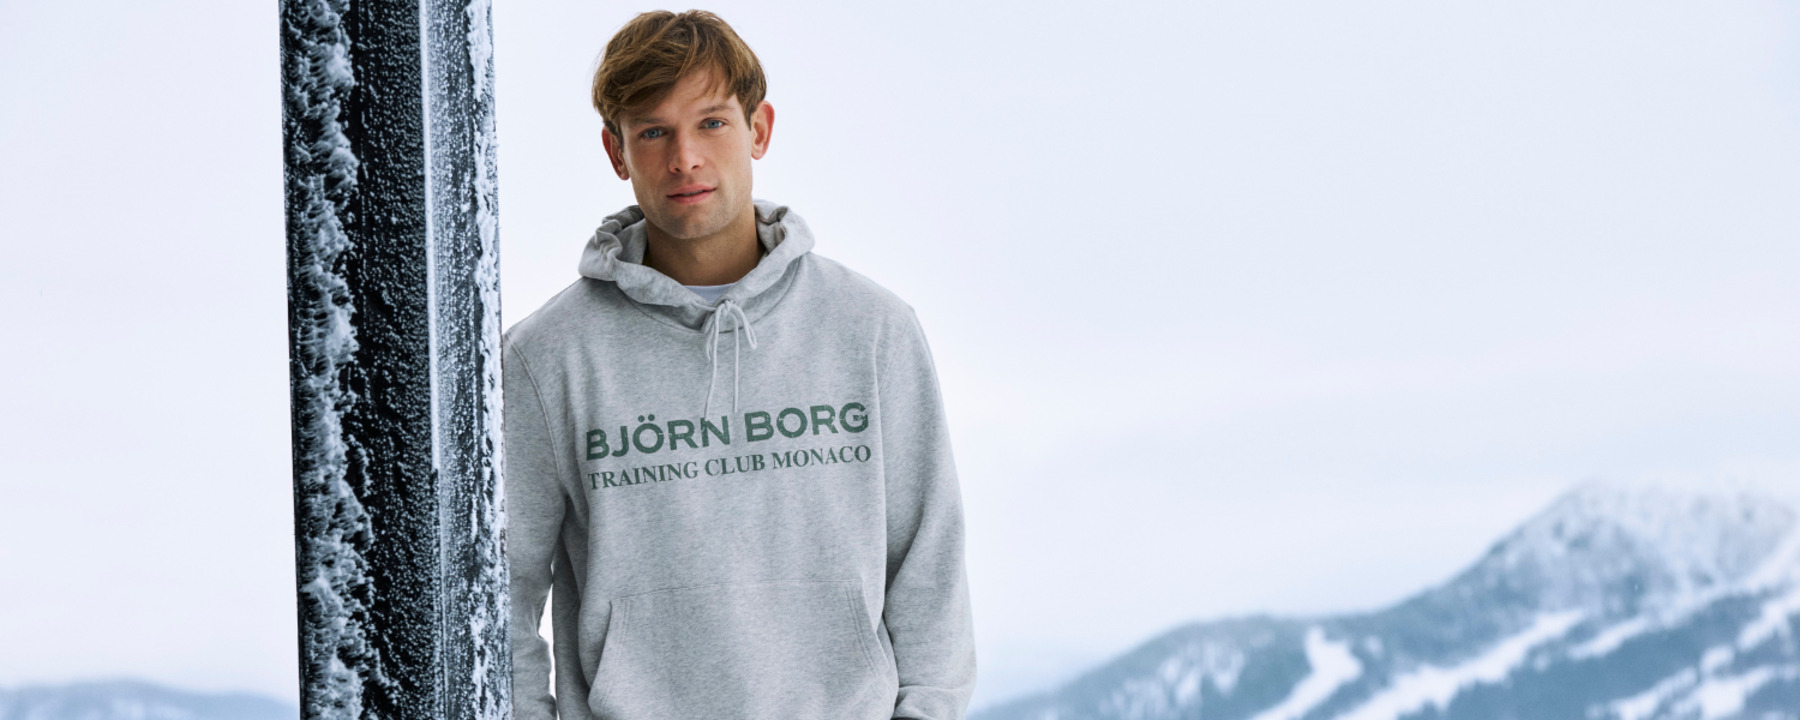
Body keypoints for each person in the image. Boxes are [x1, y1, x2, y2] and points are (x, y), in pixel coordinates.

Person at [501, 9, 976, 720]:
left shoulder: (872, 330)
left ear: (759, 129)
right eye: (652, 131)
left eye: (711, 123)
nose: (683, 158)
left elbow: (928, 565)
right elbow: (497, 592)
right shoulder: (549, 358)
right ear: (616, 151)